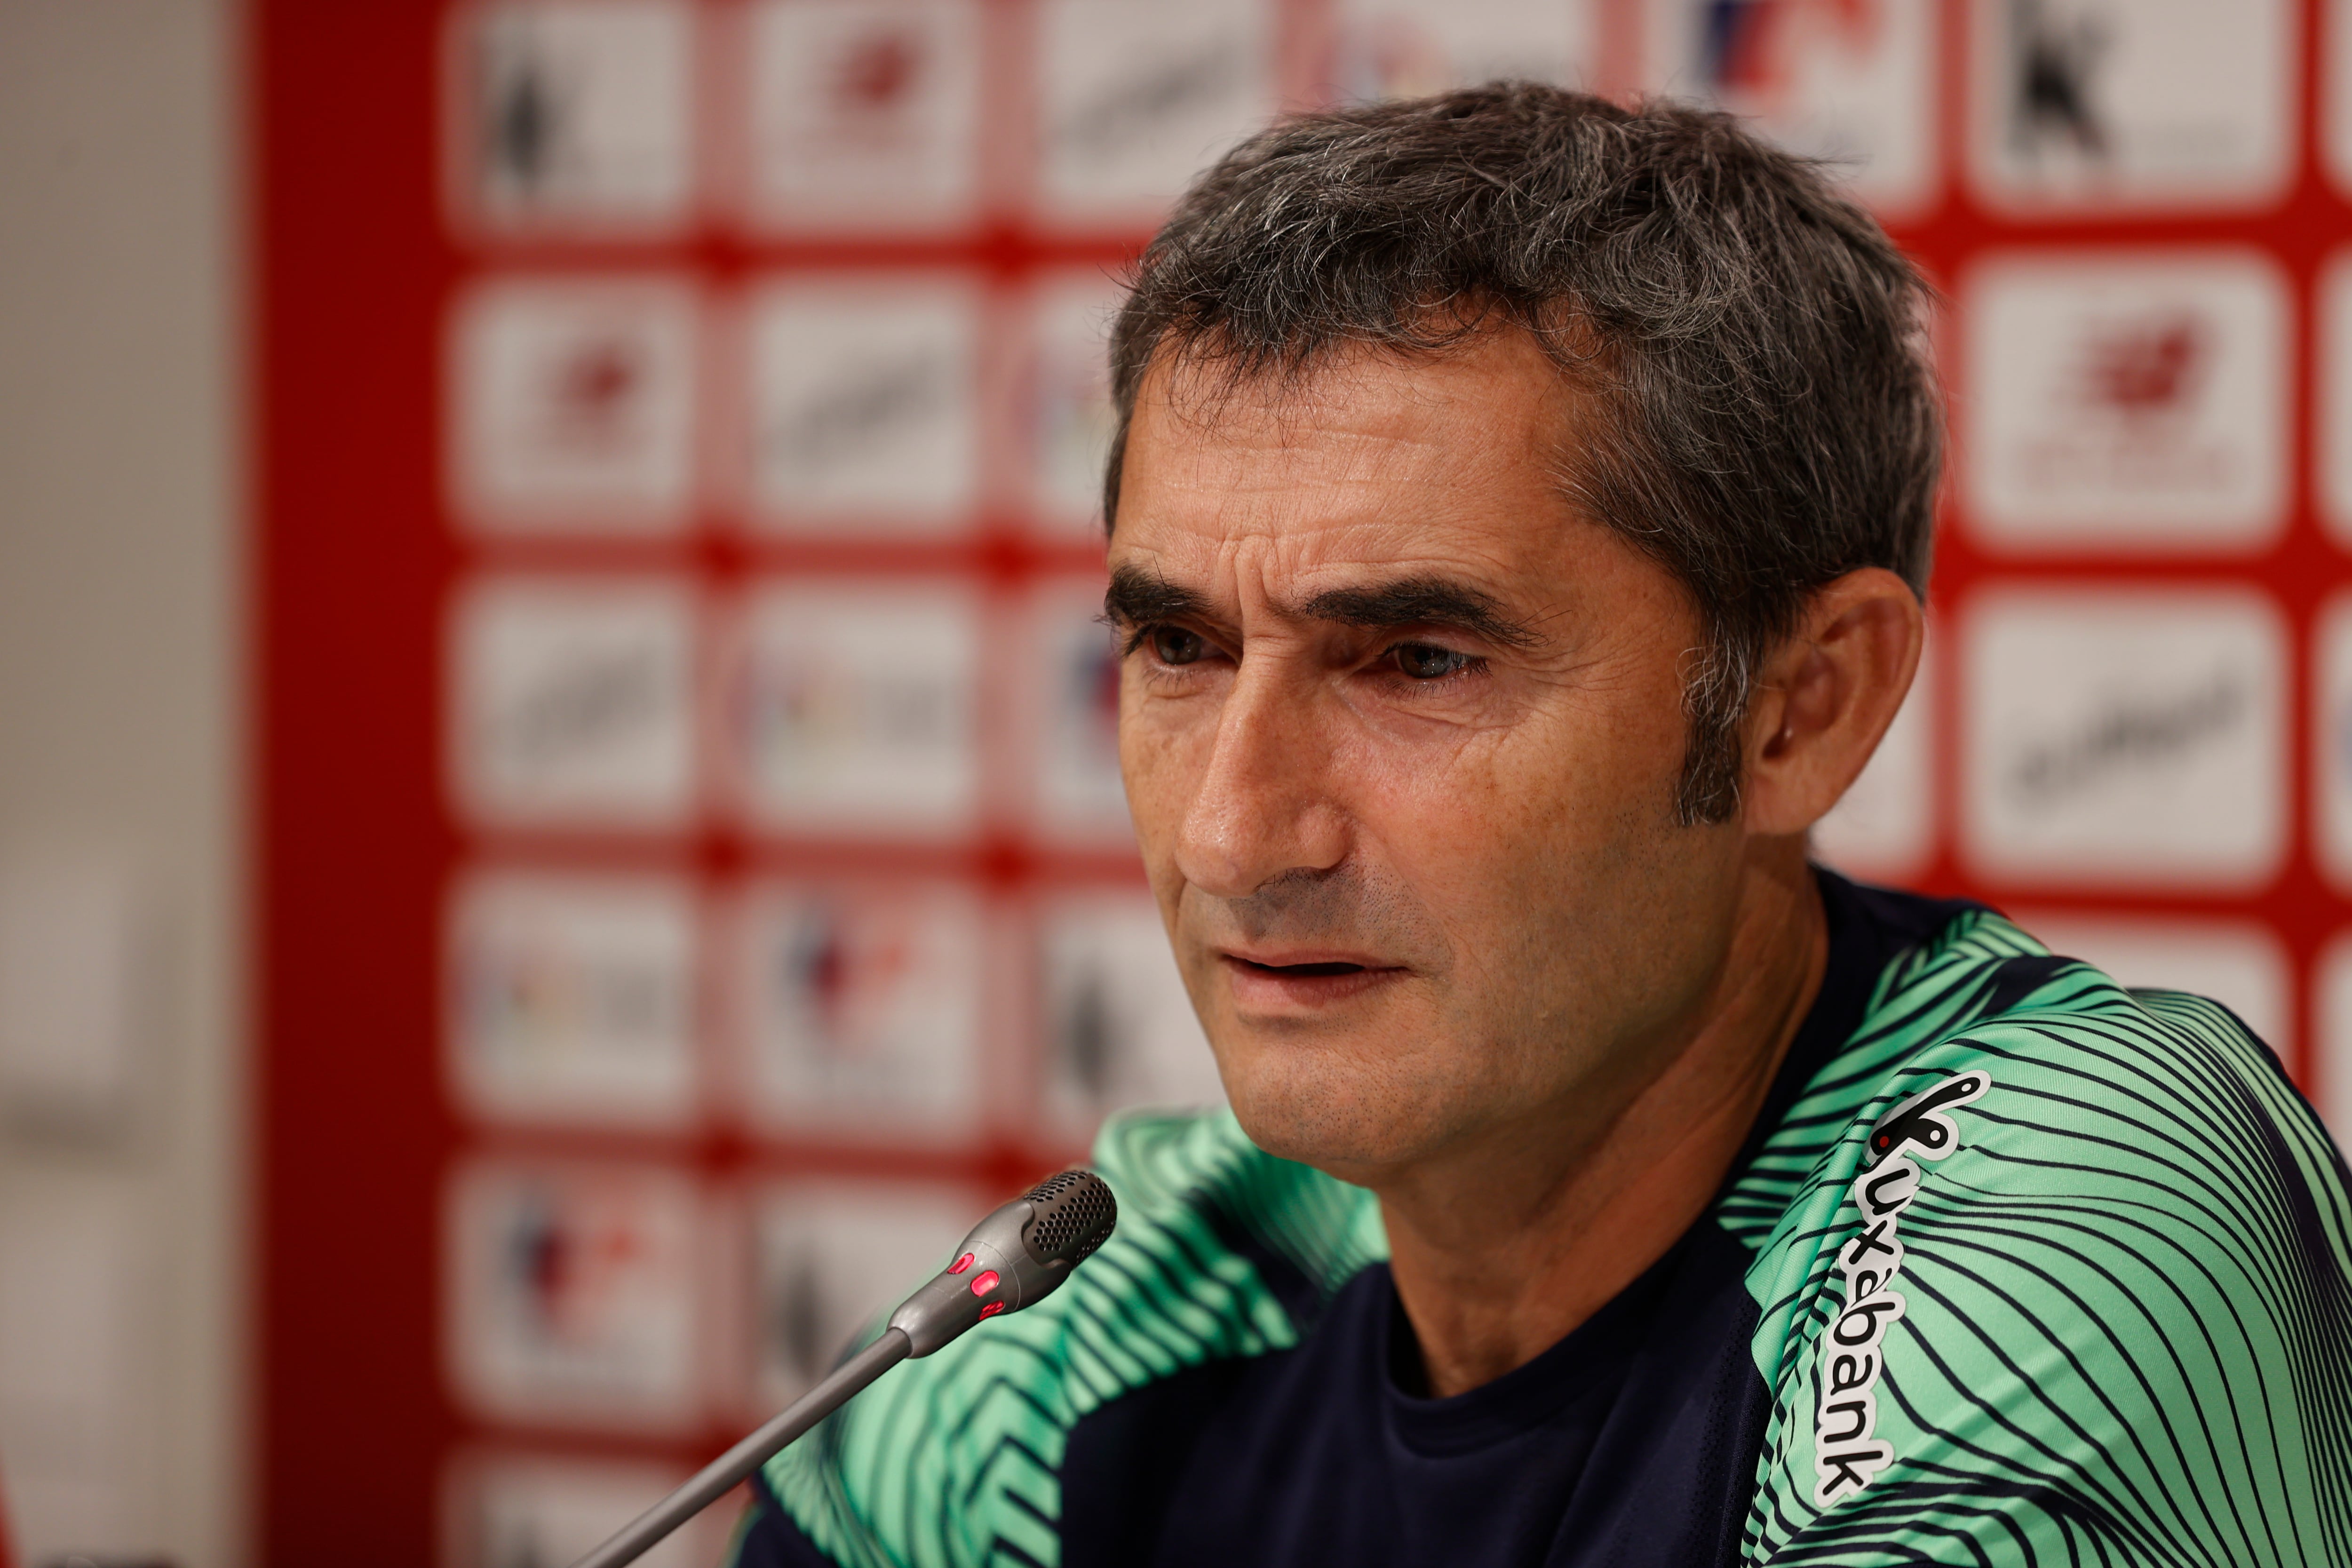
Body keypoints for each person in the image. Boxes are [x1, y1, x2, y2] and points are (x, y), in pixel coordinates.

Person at [731, 86, 2352, 1567]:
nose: (1231, 837)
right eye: (1180, 648)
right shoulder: (1105, 1323)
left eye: (1418, 662)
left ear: (1800, 709)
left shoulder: (2061, 1202)